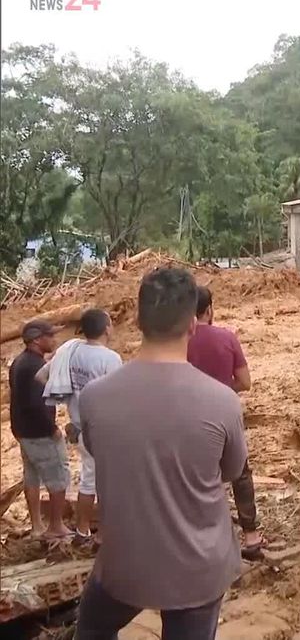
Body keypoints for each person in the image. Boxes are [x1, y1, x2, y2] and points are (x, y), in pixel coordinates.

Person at [74, 267, 247, 639]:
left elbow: (96, 450)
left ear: (137, 321)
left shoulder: (93, 399)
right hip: (197, 568)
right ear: (193, 324)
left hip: (124, 563)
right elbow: (232, 471)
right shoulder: (224, 402)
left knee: (91, 628)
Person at [186, 286, 263, 557]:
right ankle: (251, 537)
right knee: (240, 474)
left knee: (196, 476)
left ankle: (202, 539)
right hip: (224, 412)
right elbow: (245, 382)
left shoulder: (179, 342)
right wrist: (222, 387)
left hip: (187, 416)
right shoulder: (227, 338)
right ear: (209, 309)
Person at [50, 309, 122, 541]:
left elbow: (45, 376)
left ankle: (82, 529)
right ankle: (105, 533)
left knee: (88, 478)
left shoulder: (72, 351)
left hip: (78, 426)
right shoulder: (109, 359)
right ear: (106, 328)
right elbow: (118, 396)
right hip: (102, 430)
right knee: (107, 481)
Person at [9, 320, 70, 540]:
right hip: (38, 431)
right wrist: (51, 428)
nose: (54, 340)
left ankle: (37, 525)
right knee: (58, 475)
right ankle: (56, 525)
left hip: (23, 430)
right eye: (50, 336)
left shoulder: (19, 362)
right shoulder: (34, 367)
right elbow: (37, 403)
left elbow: (17, 400)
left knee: (32, 476)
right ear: (37, 339)